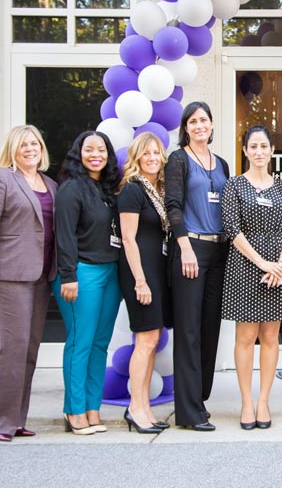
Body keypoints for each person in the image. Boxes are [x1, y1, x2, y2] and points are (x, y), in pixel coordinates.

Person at [0, 126, 57, 442]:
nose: (29, 148)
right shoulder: (0, 179)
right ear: (13, 148)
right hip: (10, 275)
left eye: (34, 143)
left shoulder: (49, 184)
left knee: (29, 350)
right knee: (11, 348)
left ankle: (16, 419)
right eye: (23, 144)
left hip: (41, 276)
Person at [221, 126, 282, 430]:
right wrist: (263, 262)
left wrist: (281, 263)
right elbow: (232, 229)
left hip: (276, 267)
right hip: (245, 264)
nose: (259, 151)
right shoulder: (234, 185)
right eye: (253, 146)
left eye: (264, 146)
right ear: (245, 151)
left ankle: (264, 400)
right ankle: (246, 402)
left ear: (272, 150)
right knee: (246, 337)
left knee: (270, 337)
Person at [165, 101, 230, 431]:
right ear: (185, 128)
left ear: (212, 123)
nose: (199, 125)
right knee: (188, 331)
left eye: (204, 119)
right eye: (193, 121)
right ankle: (188, 413)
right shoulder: (178, 160)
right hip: (190, 250)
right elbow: (172, 205)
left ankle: (199, 400)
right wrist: (184, 247)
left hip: (218, 253)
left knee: (209, 329)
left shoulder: (221, 164)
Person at [53, 130, 122, 435]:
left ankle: (93, 408)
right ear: (78, 153)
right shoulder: (71, 189)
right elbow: (64, 236)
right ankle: (74, 409)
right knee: (80, 342)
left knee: (99, 344)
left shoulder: (107, 189)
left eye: (102, 149)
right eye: (89, 149)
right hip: (81, 273)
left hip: (110, 273)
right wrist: (69, 276)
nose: (96, 154)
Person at [118, 132, 172, 434]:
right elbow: (128, 238)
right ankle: (134, 408)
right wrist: (140, 280)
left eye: (156, 153)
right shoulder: (133, 190)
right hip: (140, 274)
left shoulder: (157, 190)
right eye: (146, 153)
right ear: (137, 157)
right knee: (145, 341)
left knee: (151, 341)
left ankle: (145, 407)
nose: (152, 158)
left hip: (156, 272)